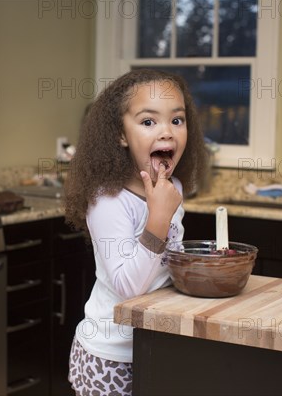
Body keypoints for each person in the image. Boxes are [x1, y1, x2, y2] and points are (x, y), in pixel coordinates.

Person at [64, 68, 209, 395]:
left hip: (153, 345)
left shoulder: (173, 188)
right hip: (109, 357)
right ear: (120, 134)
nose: (167, 132)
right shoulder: (108, 200)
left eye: (177, 120)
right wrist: (157, 219)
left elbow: (164, 264)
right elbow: (131, 289)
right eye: (148, 122)